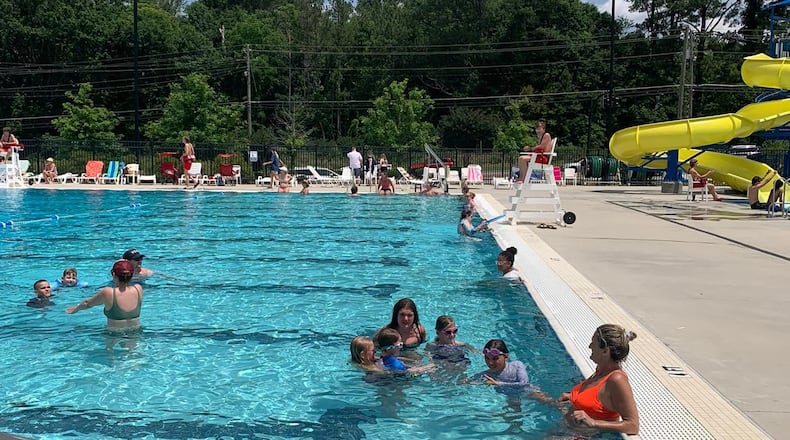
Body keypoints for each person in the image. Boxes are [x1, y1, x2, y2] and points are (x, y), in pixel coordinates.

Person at [559, 324, 639, 436]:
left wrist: (593, 422)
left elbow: (633, 426)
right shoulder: (600, 371)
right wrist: (572, 397)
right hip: (568, 432)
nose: (589, 346)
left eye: (593, 343)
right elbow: (597, 401)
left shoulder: (617, 379)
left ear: (605, 351)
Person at [66, 260, 144, 331]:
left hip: (114, 334)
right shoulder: (138, 289)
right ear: (131, 274)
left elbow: (87, 303)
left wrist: (75, 309)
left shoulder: (108, 292)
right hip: (135, 332)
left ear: (113, 274)